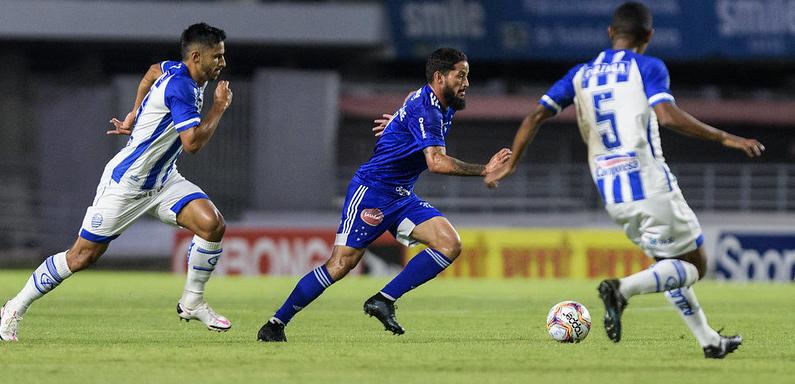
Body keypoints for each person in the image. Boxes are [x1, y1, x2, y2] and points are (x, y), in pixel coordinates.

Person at [485, 2, 764, 358]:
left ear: (609, 34)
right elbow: (667, 115)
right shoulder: (648, 66)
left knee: (668, 266)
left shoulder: (579, 74)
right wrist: (727, 138)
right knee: (695, 266)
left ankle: (710, 341)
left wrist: (512, 164)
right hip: (649, 182)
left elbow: (535, 115)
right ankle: (621, 290)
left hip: (611, 192)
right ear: (648, 36)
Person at [257, 48, 512, 342]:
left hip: (402, 196)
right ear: (440, 77)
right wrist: (485, 170)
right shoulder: (427, 108)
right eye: (461, 75)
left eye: (468, 75)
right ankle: (275, 324)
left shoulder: (441, 103)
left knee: (449, 243)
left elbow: (409, 101)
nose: (467, 82)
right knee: (341, 265)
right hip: (372, 191)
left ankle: (383, 300)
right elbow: (436, 162)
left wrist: (399, 122)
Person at [0, 22, 234, 341]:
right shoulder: (182, 87)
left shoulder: (180, 71)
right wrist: (218, 108)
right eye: (217, 57)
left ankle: (192, 301)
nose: (222, 62)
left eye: (223, 55)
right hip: (127, 183)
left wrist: (133, 114)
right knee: (80, 257)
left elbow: (152, 70)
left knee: (212, 225)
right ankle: (13, 307)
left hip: (163, 180)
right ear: (196, 57)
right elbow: (192, 144)